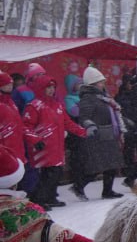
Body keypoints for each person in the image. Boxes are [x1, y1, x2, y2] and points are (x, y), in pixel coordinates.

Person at [22, 73, 88, 209]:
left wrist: (84, 132)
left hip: (56, 146)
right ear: (41, 88)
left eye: (53, 87)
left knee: (56, 173)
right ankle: (38, 201)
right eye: (48, 87)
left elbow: (68, 123)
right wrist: (35, 140)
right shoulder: (34, 106)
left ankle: (50, 197)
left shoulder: (57, 105)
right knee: (47, 175)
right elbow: (25, 126)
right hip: (43, 147)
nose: (51, 90)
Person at [72, 67, 126, 199]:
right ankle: (78, 186)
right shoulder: (88, 98)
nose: (103, 84)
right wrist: (90, 126)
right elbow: (84, 117)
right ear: (93, 84)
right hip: (98, 136)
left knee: (112, 165)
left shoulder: (103, 97)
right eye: (101, 82)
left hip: (108, 134)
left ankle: (107, 191)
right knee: (97, 167)